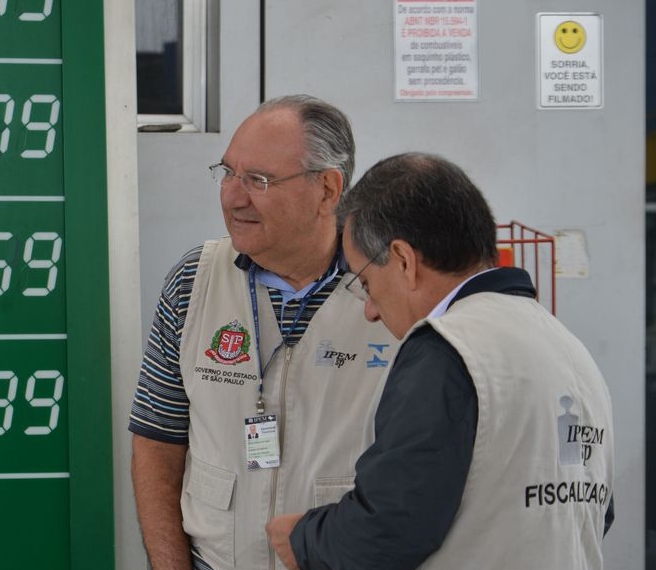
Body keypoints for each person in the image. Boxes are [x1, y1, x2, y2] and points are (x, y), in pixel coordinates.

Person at [266, 152, 615, 570]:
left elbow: (391, 527)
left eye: (365, 284)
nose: (370, 311)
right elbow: (595, 514)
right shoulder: (569, 351)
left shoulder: (447, 349)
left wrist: (304, 539)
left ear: (404, 261)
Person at [129, 95, 398, 570]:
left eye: (259, 180)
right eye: (228, 172)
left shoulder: (390, 293)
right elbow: (156, 443)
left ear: (328, 191)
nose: (233, 196)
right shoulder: (194, 281)